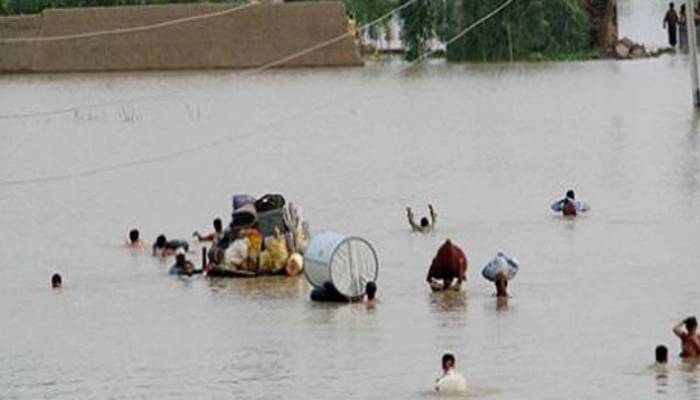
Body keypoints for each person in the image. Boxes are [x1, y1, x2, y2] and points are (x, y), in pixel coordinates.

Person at [310, 281, 377, 303]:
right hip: (318, 294)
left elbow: (326, 284)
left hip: (317, 296)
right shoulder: (367, 299)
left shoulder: (360, 299)